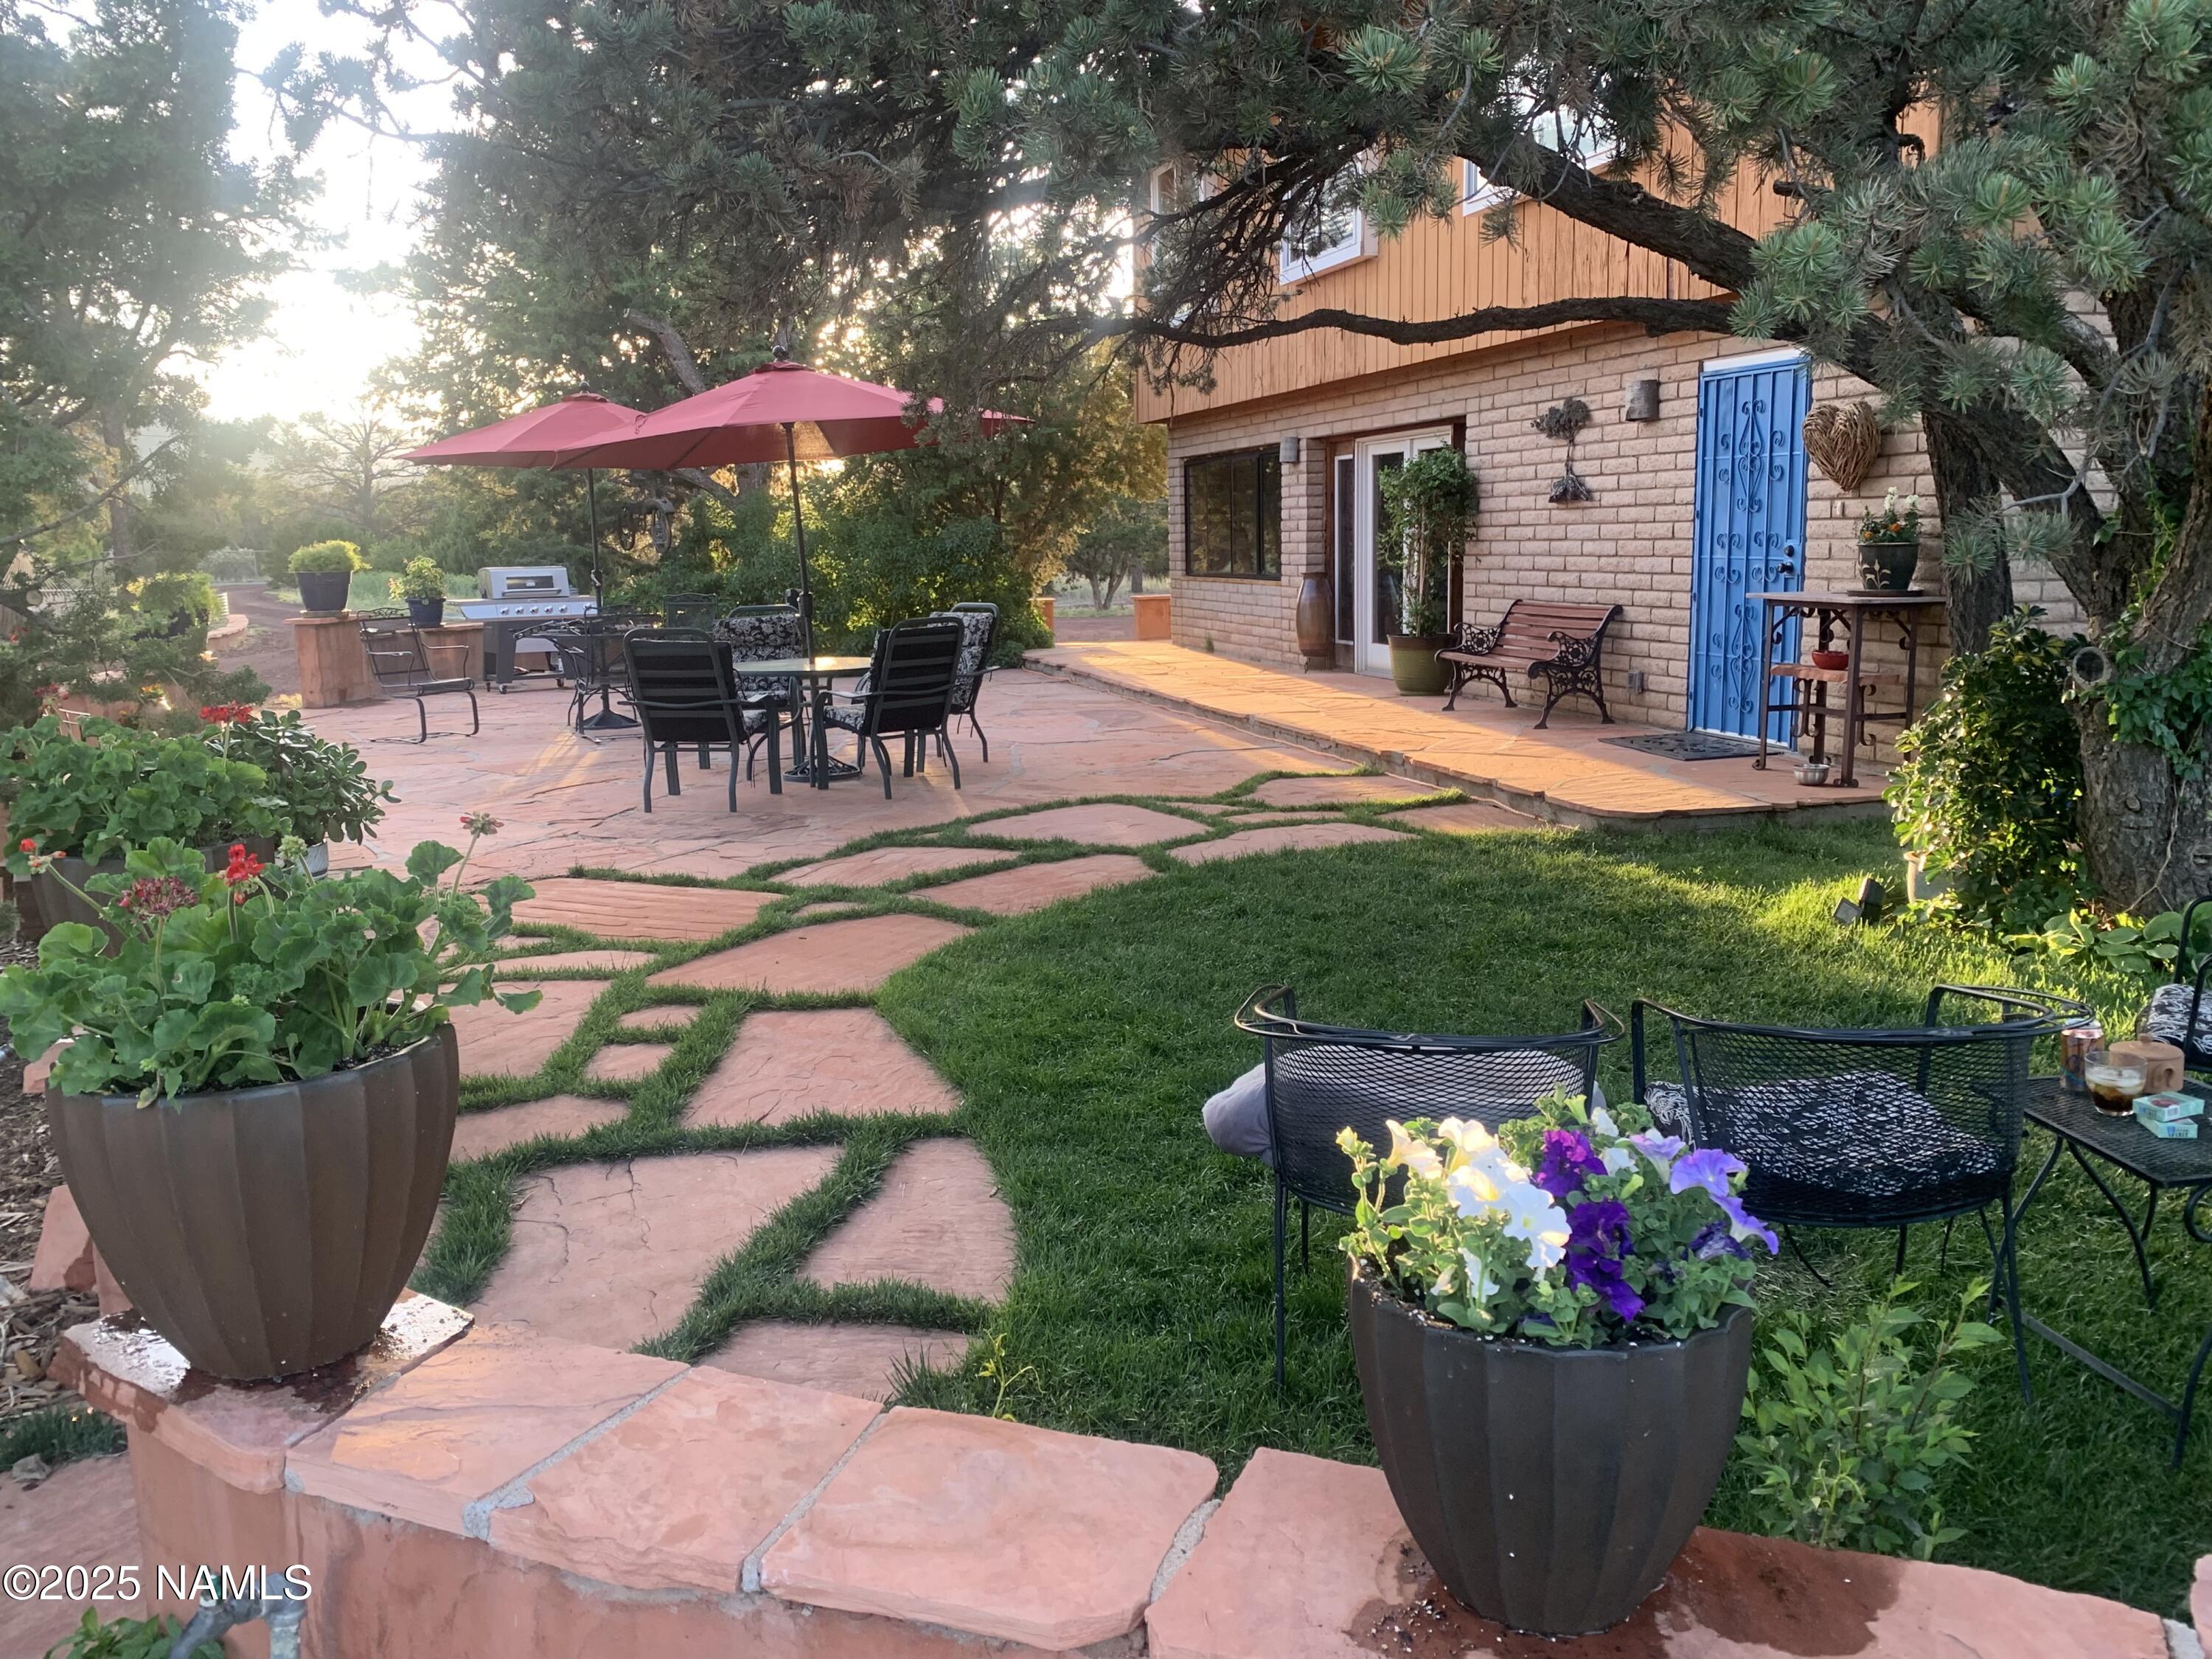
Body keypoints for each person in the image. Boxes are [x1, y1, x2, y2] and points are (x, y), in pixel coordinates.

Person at [1201, 1062, 1608, 1167]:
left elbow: (1224, 1120)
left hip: (1319, 1165)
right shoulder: (1571, 1099)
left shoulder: (1273, 1098)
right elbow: (1591, 1103)